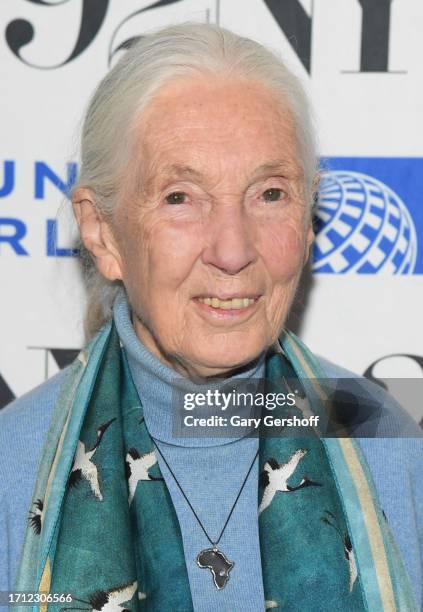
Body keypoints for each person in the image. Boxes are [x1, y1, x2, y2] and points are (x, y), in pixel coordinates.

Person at [0, 23, 421, 612]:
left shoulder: (385, 440)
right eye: (180, 198)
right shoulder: (10, 466)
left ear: (307, 219)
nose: (232, 250)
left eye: (270, 194)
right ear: (102, 232)